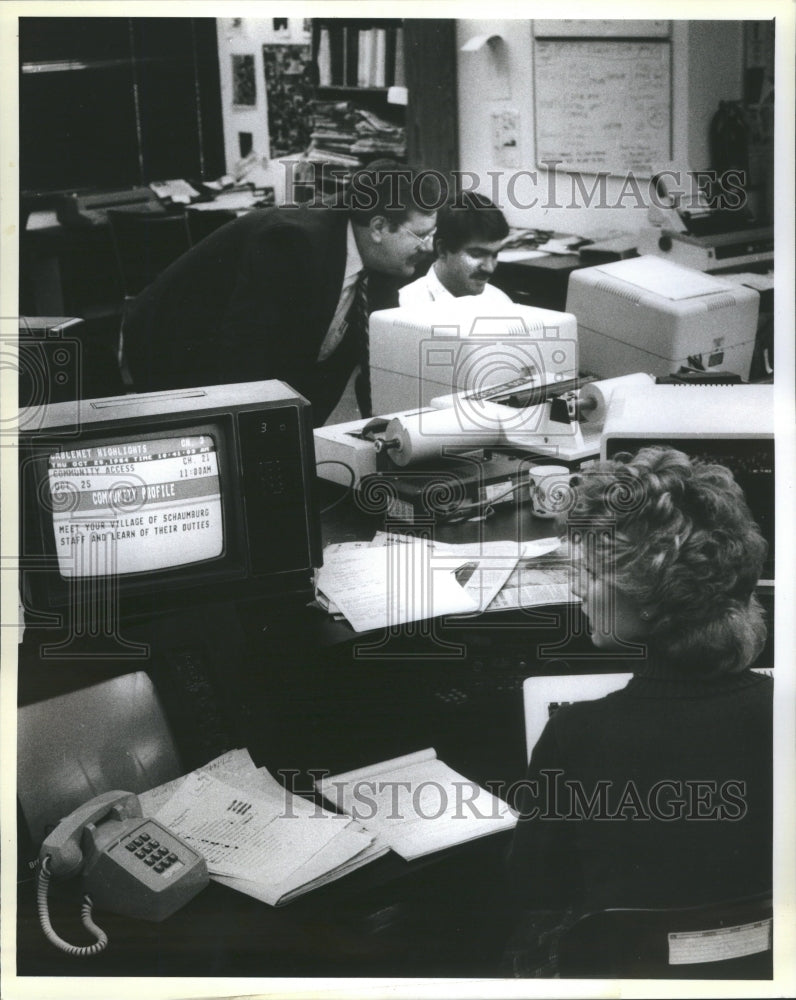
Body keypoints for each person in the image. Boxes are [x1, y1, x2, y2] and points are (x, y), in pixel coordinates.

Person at [502, 446, 772, 976]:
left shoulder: (575, 734)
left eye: (591, 574)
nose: (576, 588)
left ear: (652, 595)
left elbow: (532, 886)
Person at [122, 161, 437, 425]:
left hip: (242, 357)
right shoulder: (294, 243)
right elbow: (246, 354)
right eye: (421, 236)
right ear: (379, 228)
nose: (428, 247)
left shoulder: (383, 259)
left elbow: (354, 360)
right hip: (175, 348)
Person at [398, 191, 513, 306]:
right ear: (442, 250)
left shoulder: (501, 302)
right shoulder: (405, 305)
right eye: (477, 254)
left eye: (494, 255)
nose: (489, 268)